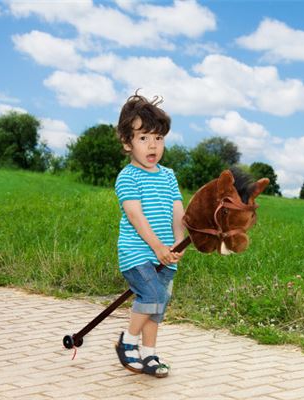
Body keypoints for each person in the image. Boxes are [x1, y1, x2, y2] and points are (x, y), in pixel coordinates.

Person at [114, 92, 185, 377]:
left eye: (158, 137)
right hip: (138, 253)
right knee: (153, 294)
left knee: (157, 306)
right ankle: (128, 342)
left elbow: (178, 211)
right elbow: (136, 216)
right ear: (127, 143)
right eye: (143, 138)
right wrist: (157, 246)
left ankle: (149, 354)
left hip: (166, 253)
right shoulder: (128, 177)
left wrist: (178, 242)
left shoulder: (168, 176)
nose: (152, 144)